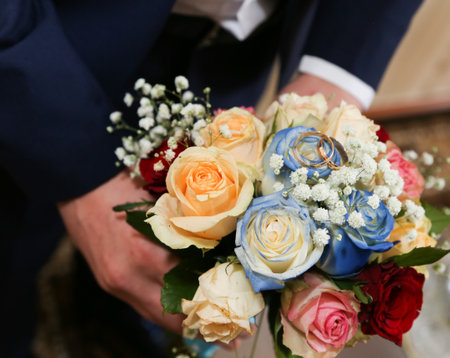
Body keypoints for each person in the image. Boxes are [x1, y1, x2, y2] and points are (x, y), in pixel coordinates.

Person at [0, 0, 422, 357]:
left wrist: (333, 73)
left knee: (172, 224)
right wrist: (80, 176)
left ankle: (104, 311)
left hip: (234, 51)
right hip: (44, 43)